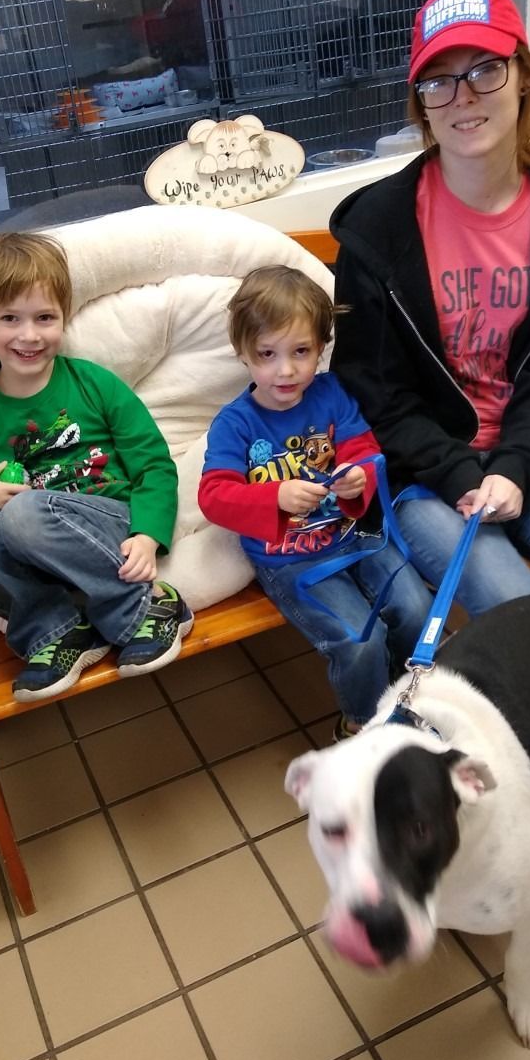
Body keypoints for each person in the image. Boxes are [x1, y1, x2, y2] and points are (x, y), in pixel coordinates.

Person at [329, 0, 530, 842]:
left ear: (523, 80)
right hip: (429, 470)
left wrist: (516, 465)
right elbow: (373, 390)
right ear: (419, 103)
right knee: (510, 606)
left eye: (484, 72)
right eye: (440, 81)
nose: (463, 98)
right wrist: (462, 470)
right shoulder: (378, 229)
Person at [0, 231, 192, 702]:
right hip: (27, 549)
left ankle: (147, 608)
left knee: (23, 513)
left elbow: (154, 466)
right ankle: (58, 630)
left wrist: (148, 533)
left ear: (63, 317)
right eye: (9, 319)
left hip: (109, 529)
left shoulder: (94, 384)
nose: (29, 335)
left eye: (45, 317)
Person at [199, 266, 433, 737]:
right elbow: (214, 496)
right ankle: (362, 726)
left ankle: (411, 700)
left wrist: (356, 477)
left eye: (300, 352)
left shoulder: (331, 393)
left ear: (321, 347)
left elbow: (364, 450)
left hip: (357, 533)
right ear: (243, 353)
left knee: (416, 608)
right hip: (288, 557)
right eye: (267, 354)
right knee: (358, 639)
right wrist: (276, 495)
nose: (285, 370)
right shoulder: (235, 424)